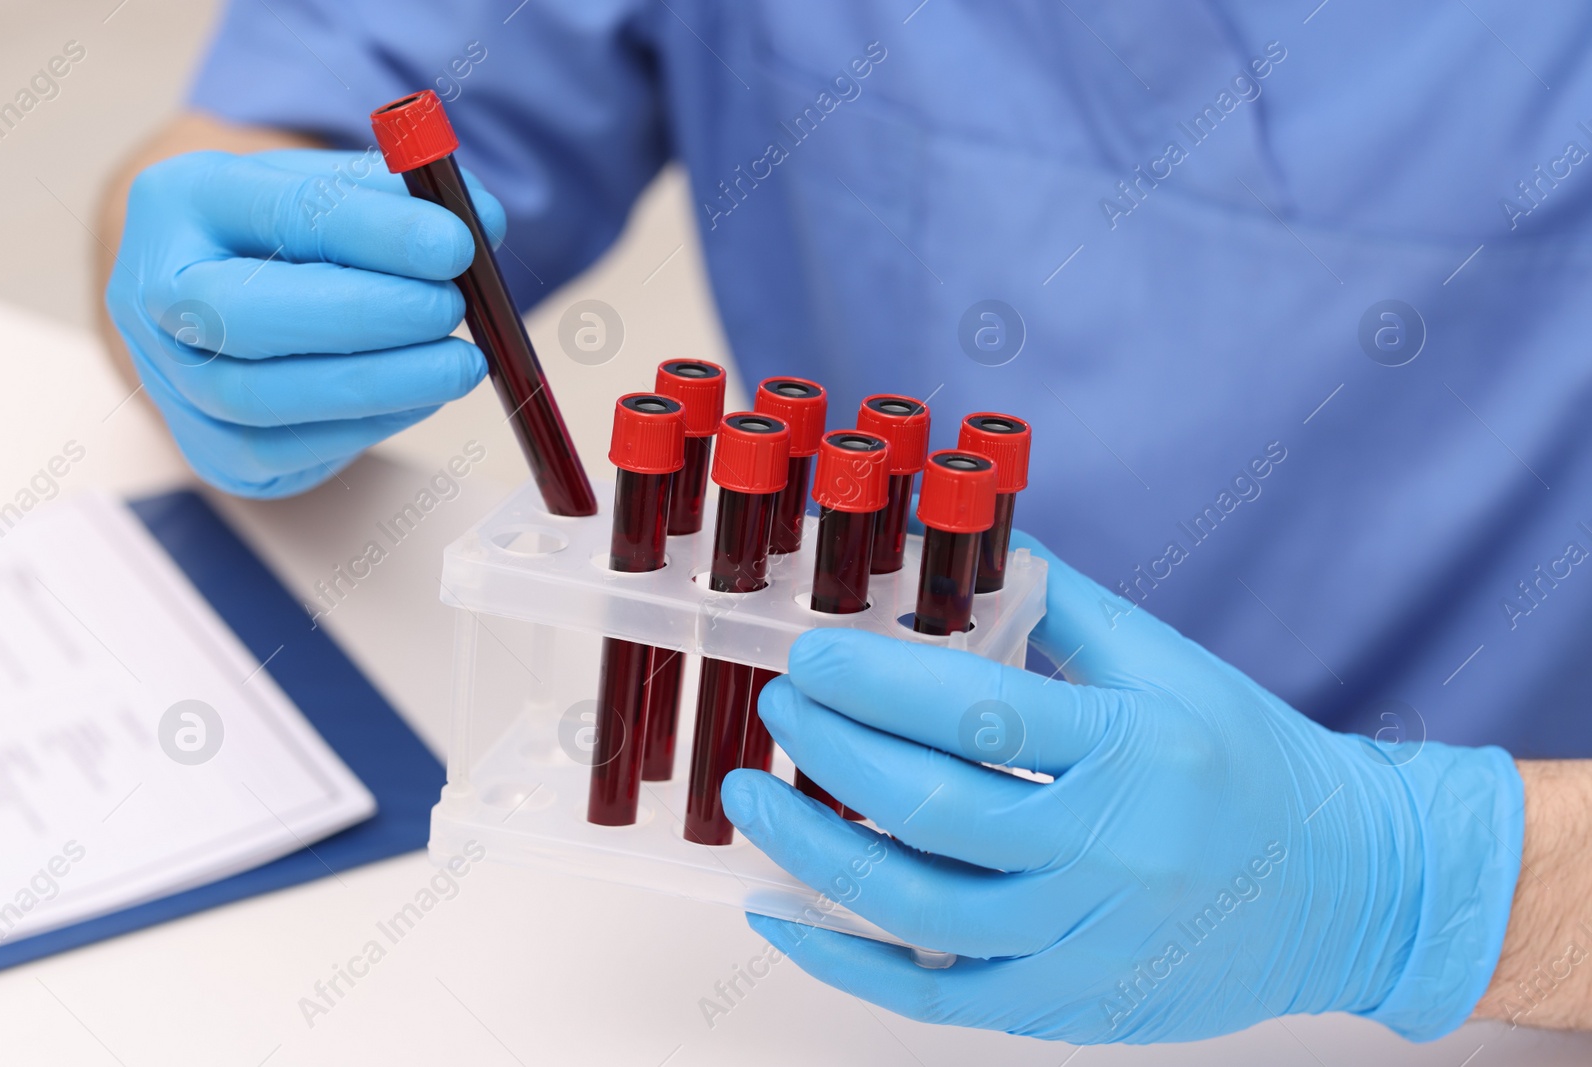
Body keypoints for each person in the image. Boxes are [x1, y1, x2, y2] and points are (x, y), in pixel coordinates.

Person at [96, 1, 1592, 1043]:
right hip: (792, 893)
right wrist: (223, 289)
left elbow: (1449, 898)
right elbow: (282, 124)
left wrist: (1420, 883)